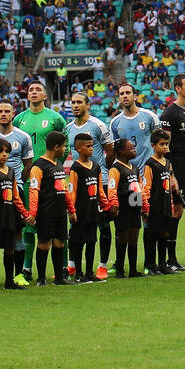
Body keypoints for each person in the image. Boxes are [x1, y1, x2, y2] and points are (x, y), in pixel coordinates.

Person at [13, 78, 66, 281]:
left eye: (38, 89)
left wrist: (55, 164)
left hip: (52, 178)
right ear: (27, 95)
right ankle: (27, 268)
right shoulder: (19, 119)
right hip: (28, 179)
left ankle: (62, 268)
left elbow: (65, 142)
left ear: (45, 95)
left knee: (59, 224)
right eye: (31, 89)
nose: (34, 92)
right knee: (28, 225)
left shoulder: (56, 118)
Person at [66, 92, 116, 276]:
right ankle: (72, 264)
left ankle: (102, 265)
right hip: (78, 184)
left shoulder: (98, 125)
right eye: (73, 103)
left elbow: (110, 151)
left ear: (88, 105)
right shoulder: (68, 128)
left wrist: (102, 171)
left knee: (102, 225)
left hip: (98, 181)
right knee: (76, 224)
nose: (75, 106)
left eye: (79, 102)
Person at [0, 99, 34, 287]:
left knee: (17, 234)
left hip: (15, 188)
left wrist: (15, 180)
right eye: (0, 111)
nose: (4, 114)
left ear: (13, 113)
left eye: (7, 111)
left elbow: (28, 163)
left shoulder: (23, 137)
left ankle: (18, 275)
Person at [158, 73, 185, 269]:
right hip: (178, 165)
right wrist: (171, 172)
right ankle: (171, 259)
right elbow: (164, 146)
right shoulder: (169, 114)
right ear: (178, 89)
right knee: (177, 211)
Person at [25, 130, 73, 286]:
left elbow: (64, 188)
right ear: (56, 147)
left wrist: (71, 210)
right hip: (46, 212)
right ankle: (41, 278)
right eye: (64, 146)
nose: (65, 149)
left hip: (60, 211)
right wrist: (32, 213)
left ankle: (59, 277)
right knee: (44, 243)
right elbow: (34, 191)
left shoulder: (58, 165)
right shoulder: (38, 166)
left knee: (59, 243)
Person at [68, 132, 108, 281]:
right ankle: (78, 273)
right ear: (78, 148)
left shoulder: (96, 167)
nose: (91, 149)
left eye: (92, 146)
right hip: (80, 211)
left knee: (92, 241)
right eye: (88, 146)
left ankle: (90, 273)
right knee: (79, 242)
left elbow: (100, 190)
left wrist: (105, 205)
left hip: (93, 210)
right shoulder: (76, 168)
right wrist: (72, 211)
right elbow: (72, 191)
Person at [142, 130, 179, 275]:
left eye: (166, 144)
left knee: (165, 234)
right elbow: (146, 187)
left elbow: (168, 185)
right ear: (153, 145)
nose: (165, 147)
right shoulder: (150, 164)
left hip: (165, 205)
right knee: (153, 236)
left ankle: (163, 264)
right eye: (161, 144)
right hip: (154, 206)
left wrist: (171, 203)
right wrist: (146, 207)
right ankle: (151, 265)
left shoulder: (167, 162)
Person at [107, 137, 145, 278]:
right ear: (121, 151)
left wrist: (143, 205)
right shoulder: (116, 168)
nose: (134, 150)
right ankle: (120, 270)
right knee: (122, 236)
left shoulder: (134, 167)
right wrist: (114, 203)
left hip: (135, 203)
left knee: (134, 237)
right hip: (123, 204)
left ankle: (133, 270)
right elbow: (112, 188)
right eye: (131, 148)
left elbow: (139, 186)